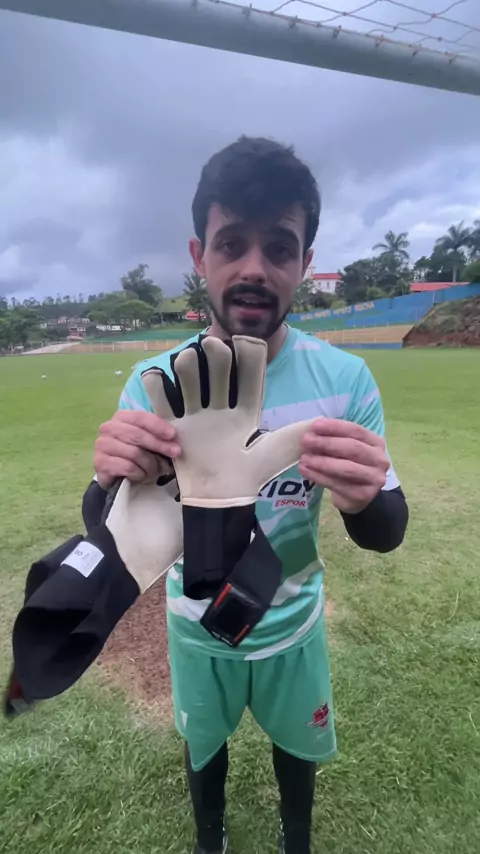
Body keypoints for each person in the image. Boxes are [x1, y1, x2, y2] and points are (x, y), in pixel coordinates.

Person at [91, 137, 409, 854]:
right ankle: (212, 837)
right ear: (200, 255)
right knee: (204, 747)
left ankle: (297, 837)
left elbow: (386, 529)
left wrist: (364, 497)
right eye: (232, 243)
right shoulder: (157, 383)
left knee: (298, 749)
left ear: (304, 262)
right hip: (194, 625)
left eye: (280, 248)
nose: (255, 269)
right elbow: (107, 524)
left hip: (294, 622)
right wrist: (107, 477)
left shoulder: (345, 381)